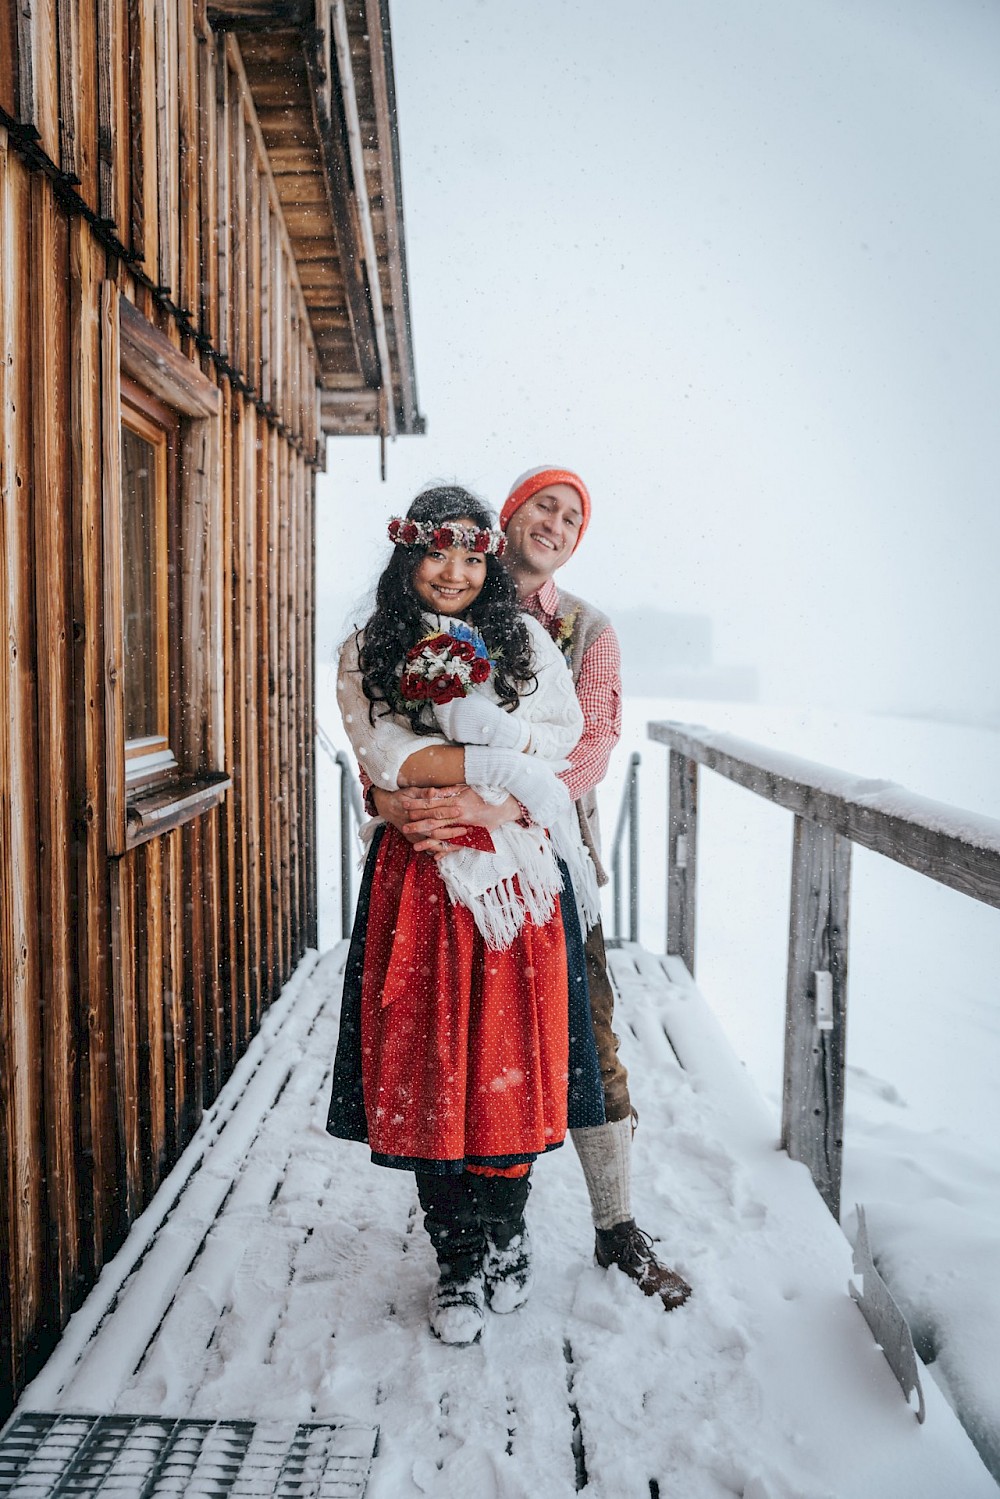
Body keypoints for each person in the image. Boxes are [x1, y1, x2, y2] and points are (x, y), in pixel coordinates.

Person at [372, 468, 692, 1310]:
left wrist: (498, 794)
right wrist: (388, 795)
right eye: (543, 506)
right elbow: (381, 730)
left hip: (547, 859)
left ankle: (614, 1220)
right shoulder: (436, 607)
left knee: (582, 1037)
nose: (556, 523)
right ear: (502, 522)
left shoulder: (585, 629)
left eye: (573, 516)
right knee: (452, 1041)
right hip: (437, 855)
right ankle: (466, 1228)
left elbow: (588, 748)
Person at [328, 485, 605, 1347]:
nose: (452, 572)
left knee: (508, 1064)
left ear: (488, 562)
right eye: (435, 552)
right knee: (430, 1060)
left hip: (513, 881)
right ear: (408, 556)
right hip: (420, 879)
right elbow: (384, 751)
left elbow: (564, 733)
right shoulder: (367, 648)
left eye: (470, 555)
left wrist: (485, 785)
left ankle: (506, 1232)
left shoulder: (522, 639)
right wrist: (434, 775)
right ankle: (455, 1253)